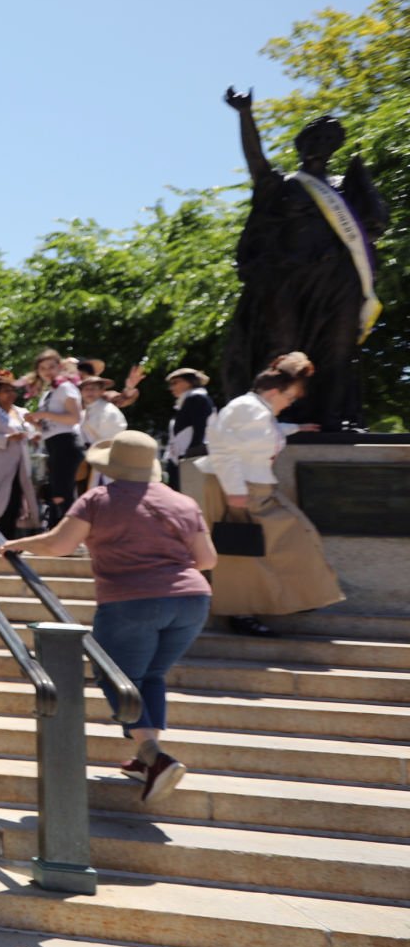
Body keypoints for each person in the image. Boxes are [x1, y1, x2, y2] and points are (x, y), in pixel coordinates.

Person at [3, 431, 215, 803]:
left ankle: (154, 757)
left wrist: (17, 544)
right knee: (149, 675)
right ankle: (143, 758)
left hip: (130, 601)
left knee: (115, 678)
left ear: (112, 465)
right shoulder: (183, 501)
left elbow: (60, 545)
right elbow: (207, 559)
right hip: (191, 600)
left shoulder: (99, 499)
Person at [219, 90, 389, 431]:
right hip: (288, 279)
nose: (323, 142)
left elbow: (374, 226)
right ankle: (273, 417)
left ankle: (332, 419)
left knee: (338, 348)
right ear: (302, 142)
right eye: (317, 136)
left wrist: (366, 188)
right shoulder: (282, 185)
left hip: (337, 280)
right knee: (281, 346)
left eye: (331, 138)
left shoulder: (345, 187)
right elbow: (256, 159)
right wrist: (245, 114)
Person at [194, 352, 344, 636]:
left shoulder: (256, 409)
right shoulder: (247, 408)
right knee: (242, 552)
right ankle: (241, 613)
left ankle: (295, 597)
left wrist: (295, 428)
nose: (290, 403)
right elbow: (223, 448)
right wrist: (236, 491)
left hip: (253, 486)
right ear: (274, 391)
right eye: (289, 398)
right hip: (241, 488)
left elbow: (263, 434)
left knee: (291, 537)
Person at [0, 370, 38, 542]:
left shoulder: (21, 412)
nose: (11, 394)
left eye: (12, 390)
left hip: (21, 462)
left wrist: (34, 433)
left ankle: (14, 537)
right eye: (6, 390)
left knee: (17, 499)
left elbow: (31, 432)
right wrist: (8, 438)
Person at [25, 349, 83, 528]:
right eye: (42, 368)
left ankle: (68, 535)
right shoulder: (49, 392)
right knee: (57, 490)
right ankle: (60, 531)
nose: (47, 371)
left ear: (60, 366)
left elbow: (74, 418)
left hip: (66, 442)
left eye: (51, 366)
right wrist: (35, 422)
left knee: (62, 491)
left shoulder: (66, 387)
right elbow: (50, 426)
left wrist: (44, 413)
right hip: (53, 443)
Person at [164, 367, 215, 492]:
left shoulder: (196, 398)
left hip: (190, 459)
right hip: (183, 458)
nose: (171, 388)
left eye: (175, 383)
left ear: (189, 382)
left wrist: (190, 456)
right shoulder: (190, 400)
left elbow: (200, 431)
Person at [78, 374, 127, 488]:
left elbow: (112, 438)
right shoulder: (83, 413)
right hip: (87, 460)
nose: (89, 392)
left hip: (105, 459)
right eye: (86, 389)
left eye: (93, 389)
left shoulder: (109, 411)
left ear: (101, 391)